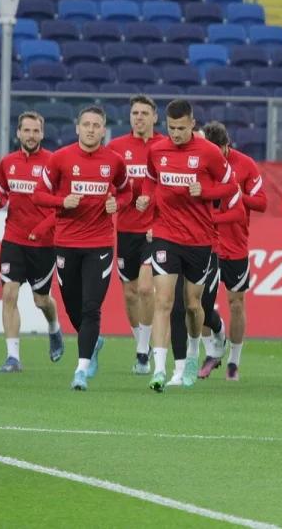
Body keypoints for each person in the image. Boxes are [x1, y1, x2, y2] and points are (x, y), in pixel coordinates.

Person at [140, 99, 238, 392]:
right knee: (165, 301)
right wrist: (146, 197)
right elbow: (149, 180)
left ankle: (193, 355)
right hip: (165, 235)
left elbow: (231, 186)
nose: (176, 134)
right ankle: (160, 368)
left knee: (194, 306)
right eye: (171, 128)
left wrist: (206, 191)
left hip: (199, 239)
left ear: (192, 124)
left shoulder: (208, 152)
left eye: (181, 128)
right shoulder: (157, 150)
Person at [34, 106, 130, 390]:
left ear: (103, 130)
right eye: (86, 124)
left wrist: (119, 204)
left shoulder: (113, 161)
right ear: (77, 128)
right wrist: (62, 202)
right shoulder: (60, 158)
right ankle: (95, 341)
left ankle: (81, 369)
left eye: (96, 125)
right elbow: (39, 194)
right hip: (65, 243)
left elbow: (126, 191)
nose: (90, 129)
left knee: (91, 308)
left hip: (99, 244)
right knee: (73, 308)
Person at [0, 111, 62, 372]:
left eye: (36, 131)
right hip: (13, 240)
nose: (31, 135)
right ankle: (13, 357)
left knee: (41, 300)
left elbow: (62, 206)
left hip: (44, 243)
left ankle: (54, 328)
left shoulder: (54, 162)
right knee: (9, 293)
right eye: (26, 130)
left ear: (42, 134)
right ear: (18, 132)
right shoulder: (7, 162)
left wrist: (43, 228)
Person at [197, 122, 267, 381]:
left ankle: (234, 362)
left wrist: (237, 196)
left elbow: (261, 202)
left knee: (236, 303)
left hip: (235, 245)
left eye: (219, 151)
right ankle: (212, 351)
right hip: (205, 244)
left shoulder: (245, 164)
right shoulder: (198, 161)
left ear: (227, 146)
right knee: (199, 303)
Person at [107, 95, 167, 374]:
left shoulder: (165, 147)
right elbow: (109, 185)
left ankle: (144, 353)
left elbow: (169, 188)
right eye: (135, 113)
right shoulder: (116, 148)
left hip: (155, 230)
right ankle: (140, 343)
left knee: (145, 288)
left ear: (155, 117)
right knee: (130, 294)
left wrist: (152, 202)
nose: (139, 117)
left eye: (145, 112)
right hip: (126, 229)